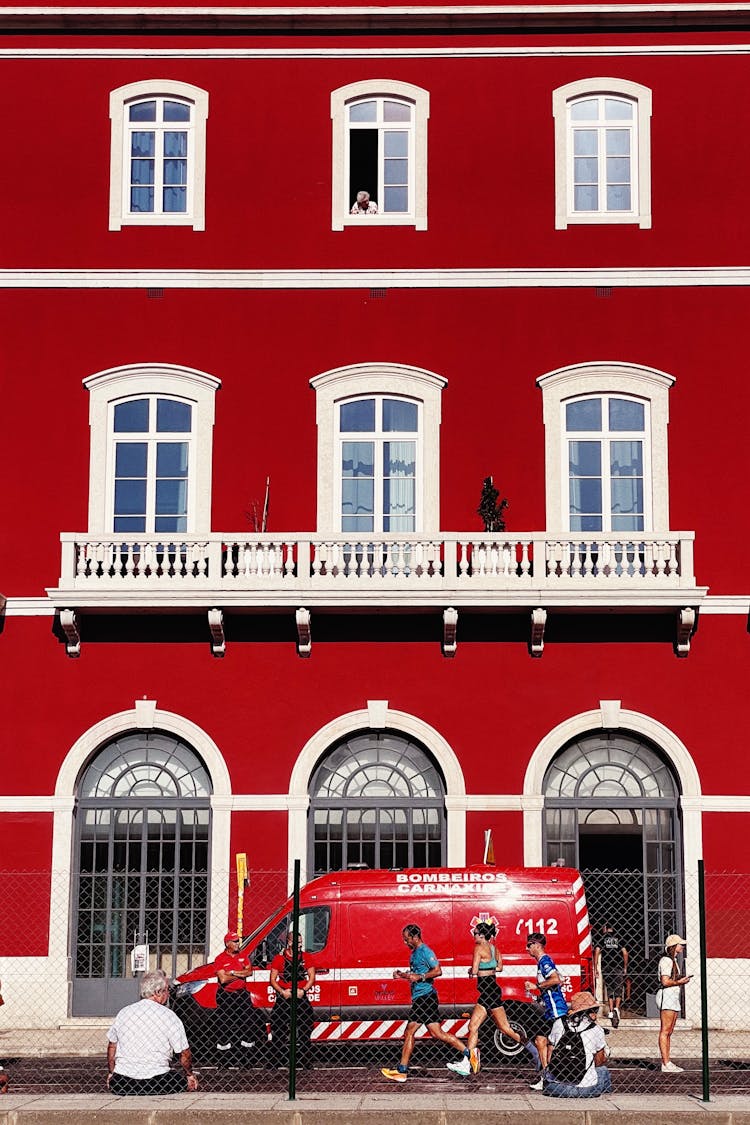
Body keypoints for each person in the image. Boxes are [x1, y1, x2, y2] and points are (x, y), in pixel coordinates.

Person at [381, 923, 472, 1081]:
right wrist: (402, 975)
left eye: (406, 939)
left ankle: (402, 1070)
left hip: (425, 998)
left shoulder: (425, 951)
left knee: (409, 1032)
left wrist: (421, 977)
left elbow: (437, 970)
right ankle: (470, 1054)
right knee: (437, 1033)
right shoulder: (414, 953)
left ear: (415, 937)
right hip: (422, 998)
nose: (405, 942)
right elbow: (415, 974)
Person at [106, 969, 198, 1095]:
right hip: (158, 1082)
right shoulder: (169, 1016)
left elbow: (112, 1045)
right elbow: (184, 1053)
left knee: (119, 1082)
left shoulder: (124, 1012)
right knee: (179, 1080)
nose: (169, 994)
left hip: (123, 1082)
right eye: (167, 990)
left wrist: (112, 1073)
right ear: (158, 992)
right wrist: (189, 1075)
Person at [459, 921, 526, 1075]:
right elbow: (500, 967)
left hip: (487, 990)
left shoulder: (478, 948)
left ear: (481, 935)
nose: (473, 936)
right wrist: (488, 968)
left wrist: (472, 970)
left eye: (475, 933)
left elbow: (475, 970)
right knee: (473, 1027)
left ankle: (532, 1047)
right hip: (491, 989)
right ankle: (468, 1062)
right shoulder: (494, 949)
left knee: (504, 1028)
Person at [542, 990, 612, 1098]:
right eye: (595, 1010)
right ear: (589, 1012)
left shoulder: (559, 1023)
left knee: (549, 1076)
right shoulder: (596, 1029)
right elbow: (599, 1061)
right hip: (585, 1089)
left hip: (556, 1088)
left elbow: (549, 1058)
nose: (596, 1012)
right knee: (603, 1070)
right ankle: (608, 1097)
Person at [523, 931, 569, 1090]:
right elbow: (558, 981)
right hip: (549, 1010)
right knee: (540, 1041)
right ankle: (546, 1077)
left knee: (553, 1046)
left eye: (529, 945)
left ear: (537, 945)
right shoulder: (542, 962)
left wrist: (536, 986)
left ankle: (553, 1078)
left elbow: (556, 979)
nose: (527, 948)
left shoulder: (544, 961)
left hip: (557, 1011)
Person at [270, 931, 316, 1067]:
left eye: (301, 942)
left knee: (305, 1029)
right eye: (297, 943)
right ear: (289, 943)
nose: (300, 945)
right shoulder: (279, 959)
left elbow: (312, 977)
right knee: (279, 1030)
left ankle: (306, 1062)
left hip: (300, 997)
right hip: (285, 997)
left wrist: (303, 990)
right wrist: (282, 992)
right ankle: (276, 1061)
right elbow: (273, 980)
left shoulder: (306, 957)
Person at [214, 930, 261, 1063]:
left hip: (242, 995)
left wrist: (233, 972)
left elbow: (249, 971)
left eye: (237, 941)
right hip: (226, 996)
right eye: (234, 941)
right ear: (227, 943)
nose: (237, 943)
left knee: (248, 1024)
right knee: (224, 1026)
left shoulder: (243, 956)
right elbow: (223, 979)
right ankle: (224, 1060)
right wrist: (240, 974)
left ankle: (246, 1059)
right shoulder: (220, 959)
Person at [657, 934, 692, 1073]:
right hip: (668, 996)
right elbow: (665, 981)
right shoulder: (666, 960)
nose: (682, 946)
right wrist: (679, 982)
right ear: (673, 946)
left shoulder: (673, 960)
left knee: (669, 1031)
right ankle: (665, 1062)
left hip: (672, 996)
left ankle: (667, 1061)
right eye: (680, 944)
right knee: (665, 1031)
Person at [593, 922, 629, 1028]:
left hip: (606, 966)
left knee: (609, 988)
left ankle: (611, 1009)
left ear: (605, 928)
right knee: (618, 988)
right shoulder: (619, 938)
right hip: (618, 966)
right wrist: (625, 966)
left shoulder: (602, 938)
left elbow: (597, 952)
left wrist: (596, 968)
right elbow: (625, 953)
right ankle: (617, 1009)